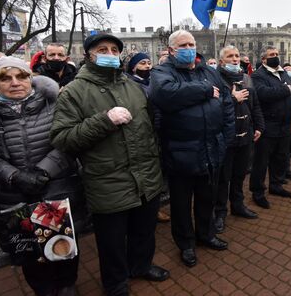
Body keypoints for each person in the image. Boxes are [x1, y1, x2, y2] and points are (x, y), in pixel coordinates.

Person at [50, 34, 169, 295]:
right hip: (108, 181)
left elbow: (149, 126)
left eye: (115, 49)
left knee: (144, 231)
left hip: (146, 175)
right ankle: (115, 284)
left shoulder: (131, 85)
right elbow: (62, 139)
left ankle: (140, 265)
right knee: (112, 242)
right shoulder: (74, 91)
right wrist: (104, 121)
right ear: (89, 55)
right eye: (102, 49)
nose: (110, 53)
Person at [0, 57, 86, 296]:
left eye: (21, 76)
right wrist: (14, 176)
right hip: (14, 195)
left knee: (62, 246)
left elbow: (68, 142)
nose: (15, 83)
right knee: (28, 252)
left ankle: (67, 285)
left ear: (31, 78)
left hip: (53, 191)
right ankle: (43, 290)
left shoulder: (53, 104)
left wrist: (43, 170)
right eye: (5, 78)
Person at [149, 30, 235, 268]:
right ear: (171, 50)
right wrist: (204, 91)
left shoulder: (208, 71)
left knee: (207, 198)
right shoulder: (162, 72)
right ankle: (186, 244)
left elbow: (227, 102)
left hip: (211, 148)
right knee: (181, 204)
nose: (189, 47)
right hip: (180, 151)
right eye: (183, 44)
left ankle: (206, 235)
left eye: (191, 43)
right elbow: (164, 94)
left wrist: (225, 136)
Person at [214, 46, 264, 234]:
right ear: (221, 61)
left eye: (236, 56)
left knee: (239, 175)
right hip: (226, 139)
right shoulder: (216, 80)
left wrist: (259, 126)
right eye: (230, 56)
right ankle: (219, 212)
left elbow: (255, 105)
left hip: (245, 135)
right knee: (223, 178)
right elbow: (212, 107)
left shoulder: (246, 78)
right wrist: (232, 99)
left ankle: (238, 205)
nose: (235, 59)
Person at [125, 52, 171, 224]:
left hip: (161, 129)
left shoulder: (153, 81)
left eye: (148, 63)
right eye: (142, 63)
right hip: (145, 132)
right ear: (133, 67)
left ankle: (155, 205)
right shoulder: (130, 84)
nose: (147, 66)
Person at [250, 47, 291, 208]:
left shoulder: (283, 73)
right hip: (268, 125)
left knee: (281, 158)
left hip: (285, 124)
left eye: (277, 54)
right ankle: (258, 192)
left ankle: (276, 185)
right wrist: (284, 90)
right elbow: (263, 94)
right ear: (264, 59)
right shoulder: (258, 75)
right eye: (272, 55)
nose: (276, 57)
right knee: (261, 162)